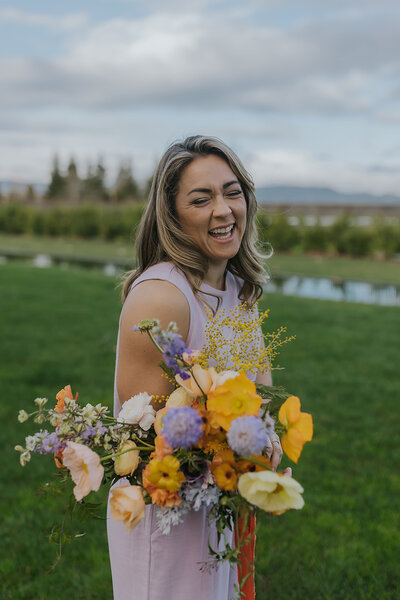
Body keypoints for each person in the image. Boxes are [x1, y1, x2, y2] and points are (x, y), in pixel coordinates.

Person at [107, 135, 283, 600]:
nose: (224, 210)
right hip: (165, 518)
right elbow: (146, 446)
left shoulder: (240, 292)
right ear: (172, 215)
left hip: (223, 506)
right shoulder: (162, 297)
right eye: (201, 199)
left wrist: (264, 445)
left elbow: (261, 402)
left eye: (232, 191)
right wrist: (241, 448)